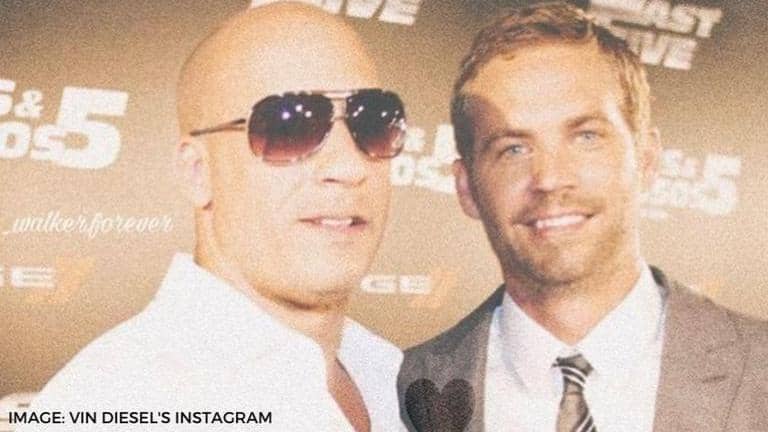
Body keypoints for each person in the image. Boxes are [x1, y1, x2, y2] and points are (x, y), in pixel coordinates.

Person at [18, 3, 408, 432]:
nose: (349, 167)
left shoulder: (395, 375)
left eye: (373, 122)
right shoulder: (114, 402)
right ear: (197, 173)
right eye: (289, 127)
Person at [398, 3, 768, 432]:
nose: (550, 179)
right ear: (466, 188)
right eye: (513, 149)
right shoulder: (396, 396)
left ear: (647, 160)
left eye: (586, 137)